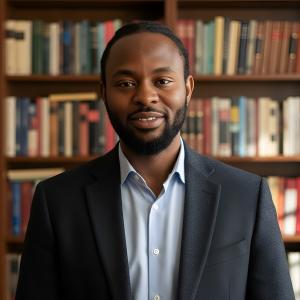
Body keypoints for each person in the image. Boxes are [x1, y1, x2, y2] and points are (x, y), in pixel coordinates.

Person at [16, 21, 294, 300]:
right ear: (104, 92)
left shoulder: (246, 196)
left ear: (187, 88)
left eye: (162, 81)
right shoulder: (57, 201)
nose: (145, 97)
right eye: (125, 83)